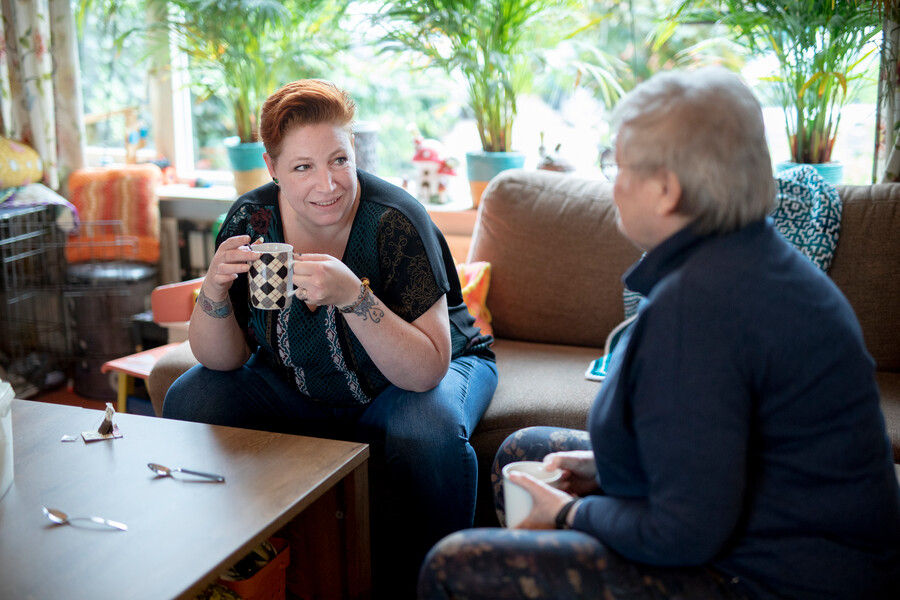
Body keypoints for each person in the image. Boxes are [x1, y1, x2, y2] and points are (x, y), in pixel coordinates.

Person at [418, 67, 900, 599]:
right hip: (768, 523)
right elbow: (719, 449)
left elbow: (685, 532)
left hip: (773, 576)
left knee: (454, 565)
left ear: (667, 190)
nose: (614, 183)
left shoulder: (699, 308)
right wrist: (601, 470)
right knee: (523, 450)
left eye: (619, 166)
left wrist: (570, 515)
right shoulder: (751, 257)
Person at [162, 79, 497, 597]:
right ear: (272, 168)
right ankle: (233, 567)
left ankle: (444, 584)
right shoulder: (253, 220)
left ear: (355, 151)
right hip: (298, 380)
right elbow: (220, 360)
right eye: (303, 167)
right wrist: (212, 288)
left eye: (339, 160)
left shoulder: (395, 220)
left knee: (426, 429)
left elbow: (430, 366)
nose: (329, 184)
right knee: (192, 395)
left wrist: (353, 298)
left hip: (429, 371)